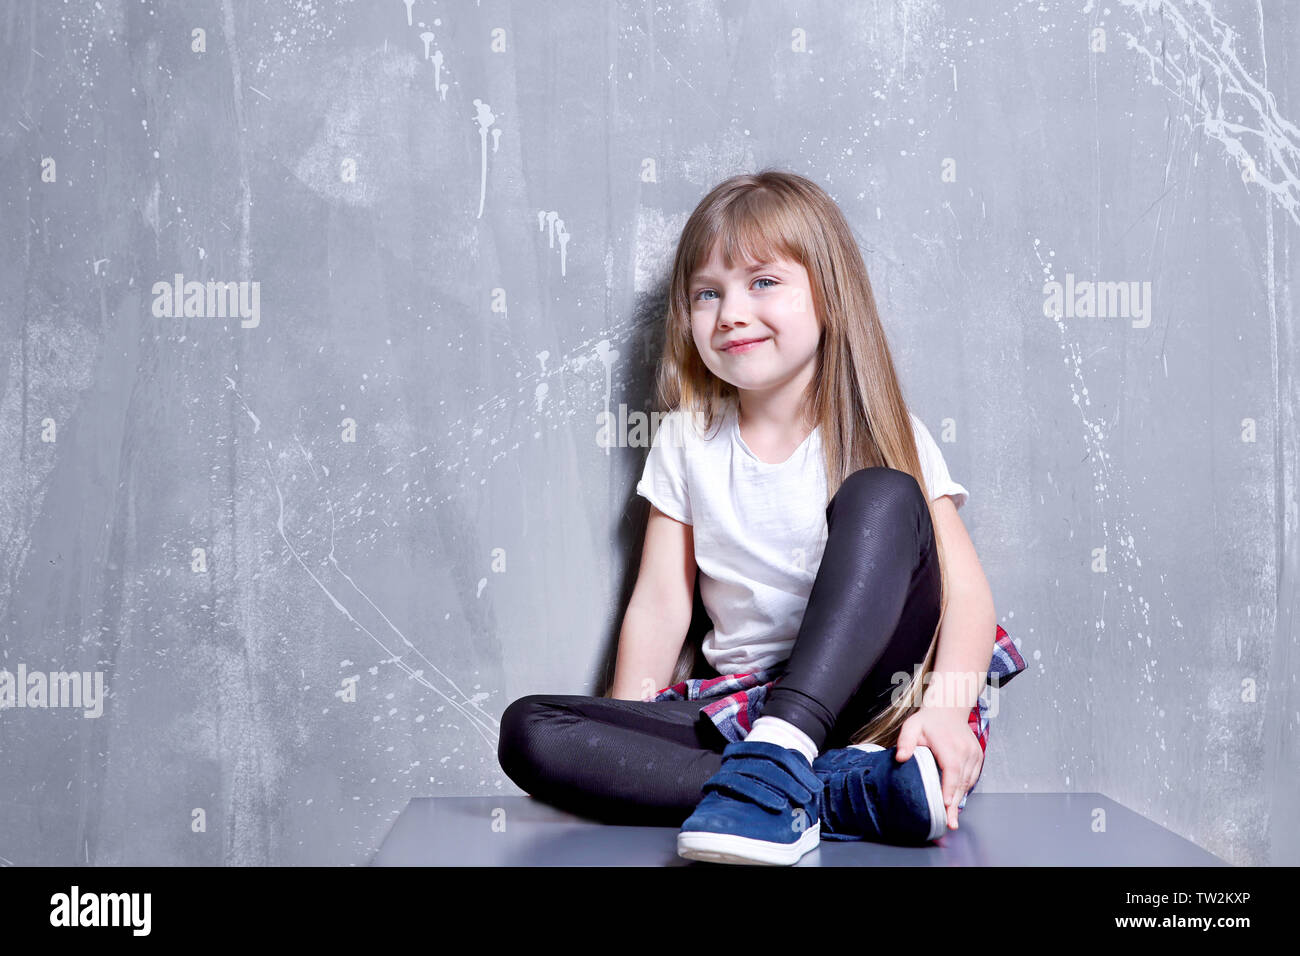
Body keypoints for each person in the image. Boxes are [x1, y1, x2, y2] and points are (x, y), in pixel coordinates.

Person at [497, 169, 1026, 865]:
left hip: (875, 700)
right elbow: (660, 604)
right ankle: (836, 791)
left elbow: (967, 598)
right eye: (707, 294)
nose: (731, 313)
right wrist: (628, 729)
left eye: (763, 283)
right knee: (530, 730)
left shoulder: (886, 430)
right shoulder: (688, 439)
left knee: (883, 494)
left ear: (829, 298)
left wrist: (948, 712)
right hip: (739, 716)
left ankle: (788, 750)